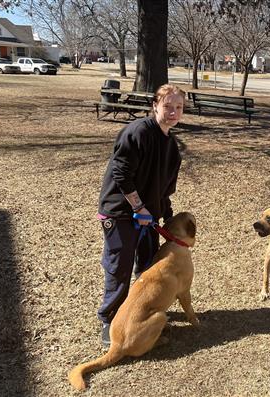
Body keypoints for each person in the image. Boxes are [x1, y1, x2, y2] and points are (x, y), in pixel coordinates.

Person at [96, 84, 185, 346]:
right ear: (155, 105)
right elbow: (121, 174)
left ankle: (137, 315)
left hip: (149, 217)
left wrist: (166, 219)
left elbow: (164, 189)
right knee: (119, 268)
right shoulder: (138, 132)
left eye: (178, 107)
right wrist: (138, 207)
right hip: (121, 212)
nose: (173, 112)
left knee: (147, 270)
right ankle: (109, 318)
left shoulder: (172, 147)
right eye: (167, 106)